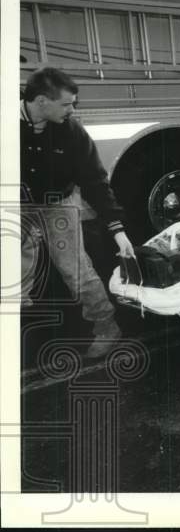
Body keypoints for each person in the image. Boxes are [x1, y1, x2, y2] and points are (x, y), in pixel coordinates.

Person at [20, 68, 136, 359]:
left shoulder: (71, 131)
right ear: (42, 101)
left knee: (75, 270)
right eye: (66, 104)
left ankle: (107, 327)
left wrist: (117, 230)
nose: (72, 109)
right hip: (17, 204)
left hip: (58, 203)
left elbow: (95, 181)